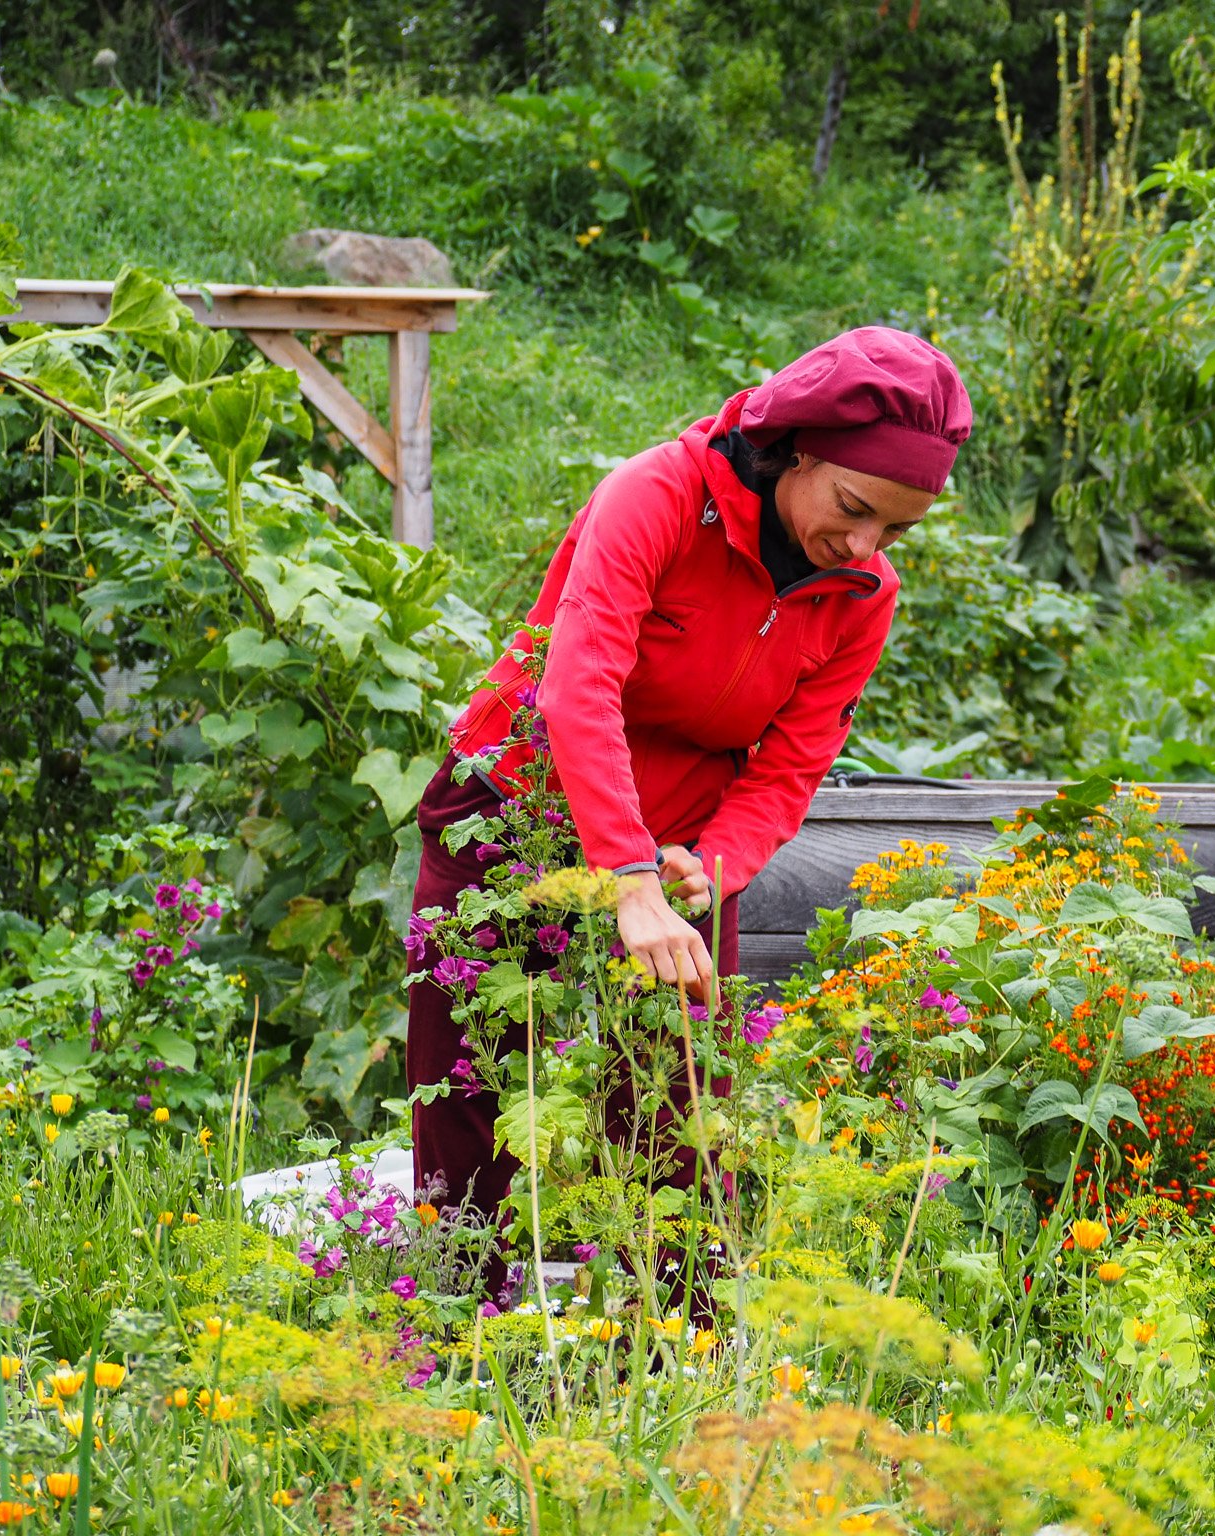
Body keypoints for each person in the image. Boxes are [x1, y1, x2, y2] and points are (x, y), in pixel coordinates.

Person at [405, 326, 971, 1221]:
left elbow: (792, 763)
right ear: (798, 451)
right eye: (855, 506)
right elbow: (577, 688)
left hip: (679, 848)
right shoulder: (657, 494)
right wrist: (626, 877)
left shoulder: (864, 596)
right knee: (474, 1085)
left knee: (679, 1112)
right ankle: (451, 1326)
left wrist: (708, 866)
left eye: (897, 528)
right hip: (519, 809)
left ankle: (676, 1345)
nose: (866, 545)